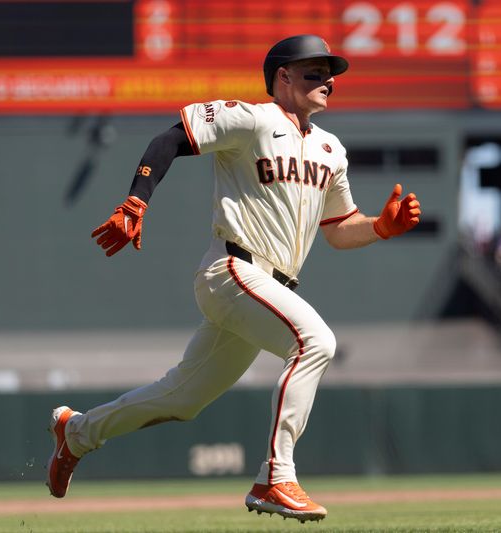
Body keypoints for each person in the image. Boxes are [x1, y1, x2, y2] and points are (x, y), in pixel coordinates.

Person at [45, 34, 421, 523]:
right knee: (315, 342)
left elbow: (337, 230)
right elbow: (169, 140)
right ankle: (276, 477)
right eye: (314, 72)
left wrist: (378, 228)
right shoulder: (253, 118)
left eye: (331, 73)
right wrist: (137, 199)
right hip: (233, 269)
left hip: (270, 288)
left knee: (182, 398)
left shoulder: (332, 149)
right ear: (282, 77)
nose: (328, 80)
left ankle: (77, 433)